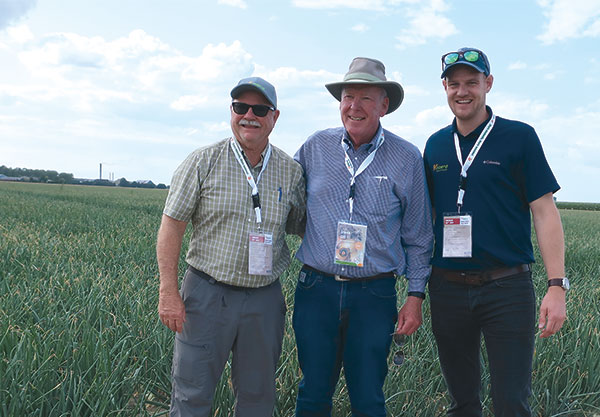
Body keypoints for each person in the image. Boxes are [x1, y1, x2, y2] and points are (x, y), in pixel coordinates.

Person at [423, 47, 567, 417]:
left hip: (507, 288)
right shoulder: (435, 145)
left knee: (512, 403)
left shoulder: (519, 137)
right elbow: (426, 218)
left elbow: (544, 211)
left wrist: (556, 285)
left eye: (472, 82)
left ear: (488, 84)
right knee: (462, 402)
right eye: (454, 84)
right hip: (448, 289)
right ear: (444, 87)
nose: (463, 91)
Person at [156, 77, 306, 417]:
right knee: (192, 394)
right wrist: (169, 291)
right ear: (232, 112)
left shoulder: (290, 170)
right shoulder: (202, 161)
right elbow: (171, 226)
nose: (249, 115)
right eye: (241, 107)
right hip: (206, 295)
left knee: (258, 396)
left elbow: (304, 226)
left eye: (260, 109)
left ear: (274, 117)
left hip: (264, 298)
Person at [292, 57, 433, 417]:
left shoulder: (406, 157)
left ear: (384, 105)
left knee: (368, 397)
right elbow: (283, 201)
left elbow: (419, 235)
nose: (354, 106)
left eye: (366, 98)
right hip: (316, 289)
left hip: (374, 293)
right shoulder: (315, 147)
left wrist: (415, 296)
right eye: (348, 96)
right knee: (312, 393)